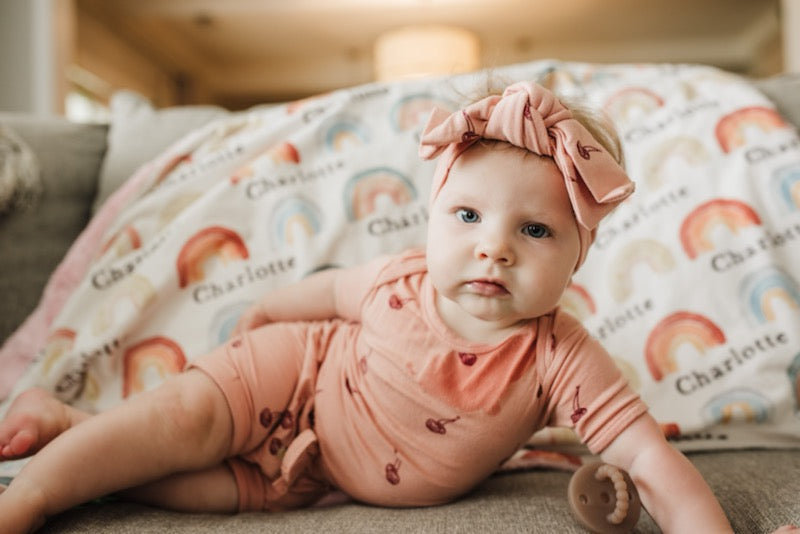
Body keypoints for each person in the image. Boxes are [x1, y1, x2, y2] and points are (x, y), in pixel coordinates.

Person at [0, 81, 735, 533]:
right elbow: (323, 293)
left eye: (535, 230)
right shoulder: (399, 279)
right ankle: (31, 495)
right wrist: (264, 321)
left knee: (197, 488)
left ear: (578, 257)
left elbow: (649, 462)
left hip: (312, 476)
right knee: (182, 423)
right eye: (470, 217)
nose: (494, 249)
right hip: (292, 372)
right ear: (435, 215)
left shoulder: (561, 357)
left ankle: (71, 429)